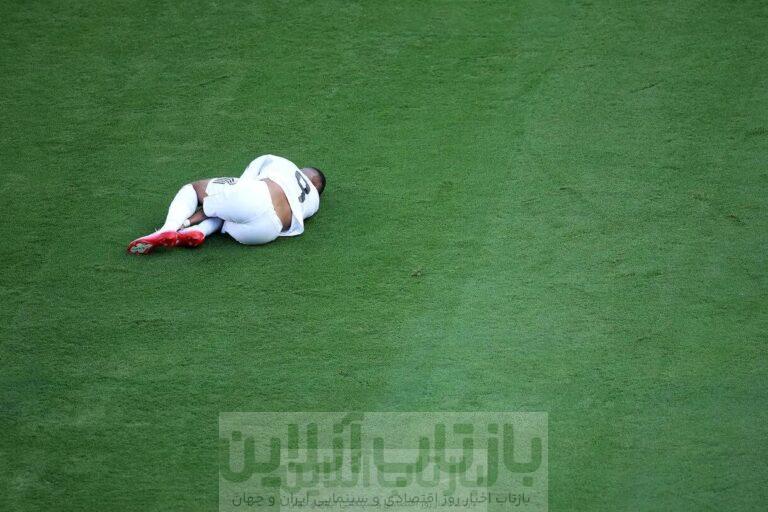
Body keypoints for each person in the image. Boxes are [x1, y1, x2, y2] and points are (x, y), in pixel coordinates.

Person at [127, 154, 325, 255]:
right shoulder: (314, 203)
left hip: (254, 199)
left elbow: (240, 190)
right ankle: (199, 231)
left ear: (303, 171)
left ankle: (168, 228)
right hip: (266, 232)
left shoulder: (282, 162)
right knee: (228, 215)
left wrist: (192, 217)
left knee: (194, 189)